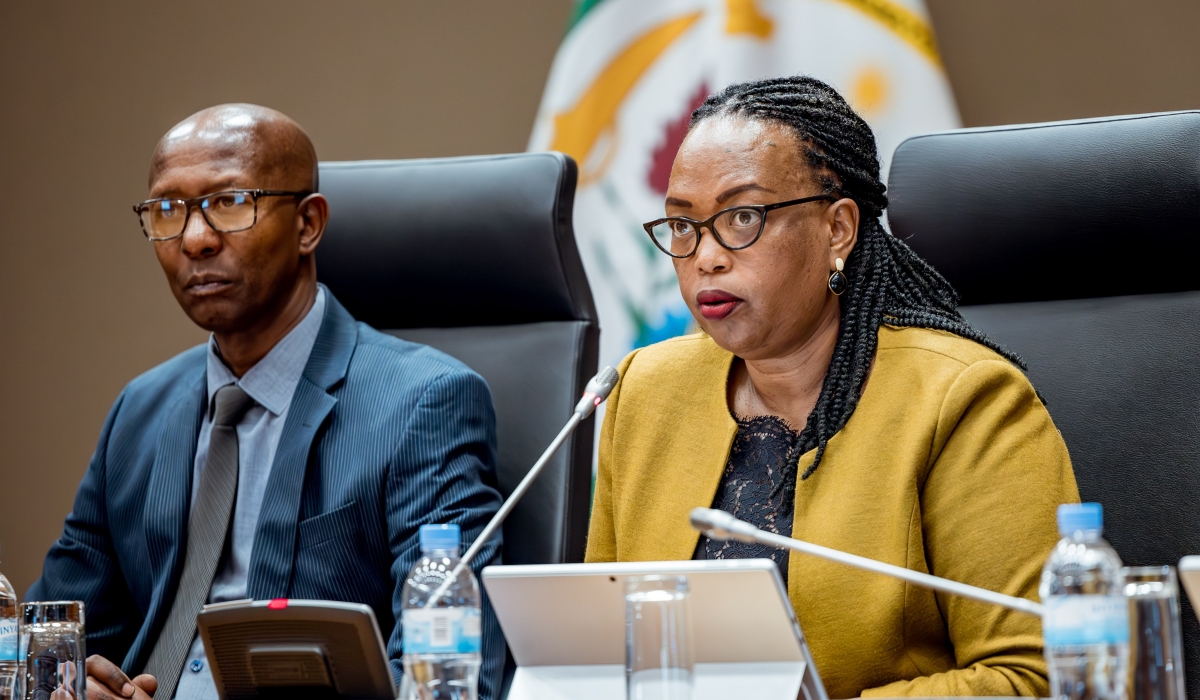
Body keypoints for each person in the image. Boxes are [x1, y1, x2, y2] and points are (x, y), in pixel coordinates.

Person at [586, 76, 1079, 697]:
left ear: (838, 229)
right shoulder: (645, 391)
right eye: (684, 227)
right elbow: (600, 655)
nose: (706, 256)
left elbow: (1037, 674)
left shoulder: (966, 399)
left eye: (742, 217)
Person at [28, 104, 505, 700]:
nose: (195, 240)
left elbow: (447, 670)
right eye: (168, 211)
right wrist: (62, 686)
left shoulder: (424, 403)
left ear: (307, 224)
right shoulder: (140, 410)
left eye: (230, 202)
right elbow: (47, 636)